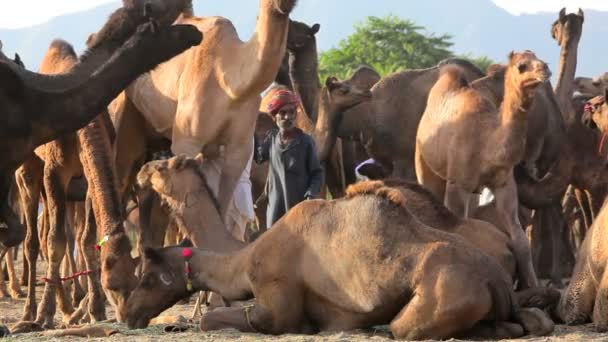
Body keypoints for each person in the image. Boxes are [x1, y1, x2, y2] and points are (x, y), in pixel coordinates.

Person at [255, 89, 323, 229]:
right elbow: (259, 158)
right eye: (283, 113)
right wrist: (251, 133)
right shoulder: (272, 139)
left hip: (298, 206)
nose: (288, 117)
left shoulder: (305, 142)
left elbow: (317, 173)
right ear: (274, 116)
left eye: (292, 112)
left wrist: (311, 193)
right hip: (275, 206)